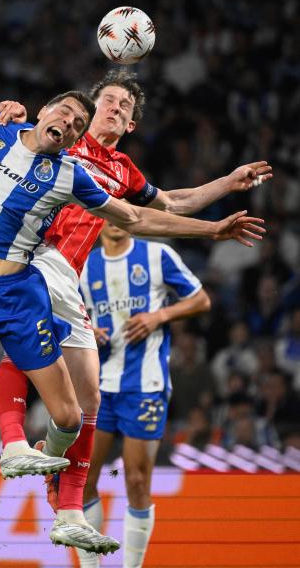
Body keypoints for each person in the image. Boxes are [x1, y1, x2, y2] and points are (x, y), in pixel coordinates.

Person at [0, 84, 264, 554]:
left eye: (124, 107)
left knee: (89, 397)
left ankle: (62, 498)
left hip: (69, 274)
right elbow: (9, 119)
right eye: (108, 100)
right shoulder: (61, 143)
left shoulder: (121, 171)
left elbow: (162, 207)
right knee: (27, 336)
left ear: (130, 126)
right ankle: (13, 443)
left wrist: (226, 186)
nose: (114, 108)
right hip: (31, 257)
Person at [75, 221, 210, 567]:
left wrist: (159, 315)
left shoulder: (157, 255)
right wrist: (89, 329)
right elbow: (66, 316)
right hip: (99, 387)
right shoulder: (85, 265)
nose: (118, 220)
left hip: (145, 385)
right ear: (99, 216)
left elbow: (201, 299)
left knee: (136, 479)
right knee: (83, 481)